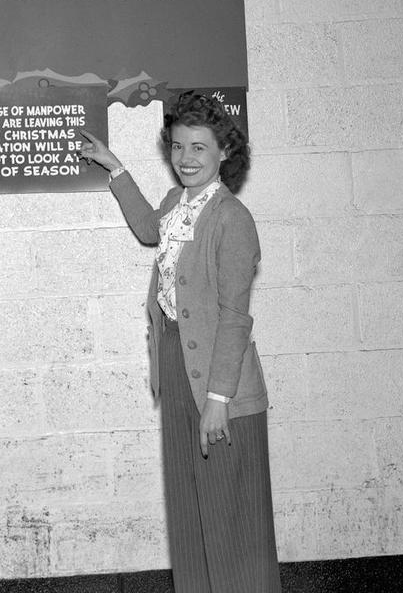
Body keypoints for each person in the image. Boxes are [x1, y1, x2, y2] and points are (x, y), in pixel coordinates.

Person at [81, 91, 281, 593]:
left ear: (225, 152)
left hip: (219, 378)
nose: (186, 158)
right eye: (177, 147)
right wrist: (115, 167)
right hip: (175, 360)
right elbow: (150, 228)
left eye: (199, 147)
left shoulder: (232, 218)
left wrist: (219, 399)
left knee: (231, 515)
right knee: (188, 506)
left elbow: (235, 318)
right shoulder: (176, 202)